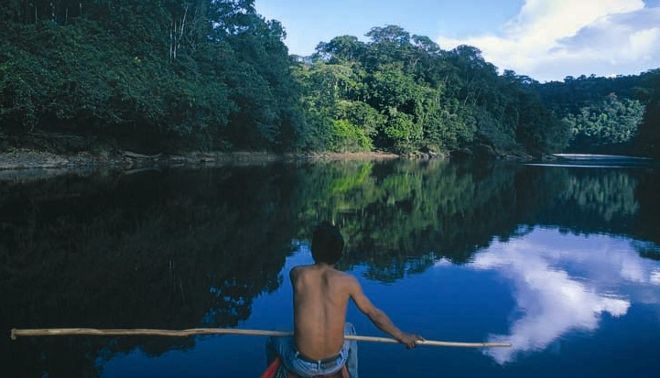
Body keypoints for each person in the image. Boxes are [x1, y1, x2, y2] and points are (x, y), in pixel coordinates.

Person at [268, 221, 423, 377]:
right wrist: (402, 335)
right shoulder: (348, 282)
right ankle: (351, 375)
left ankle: (280, 374)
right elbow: (373, 314)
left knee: (273, 336)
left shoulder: (297, 274)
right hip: (334, 364)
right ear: (339, 253)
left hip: (302, 364)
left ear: (313, 250)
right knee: (349, 328)